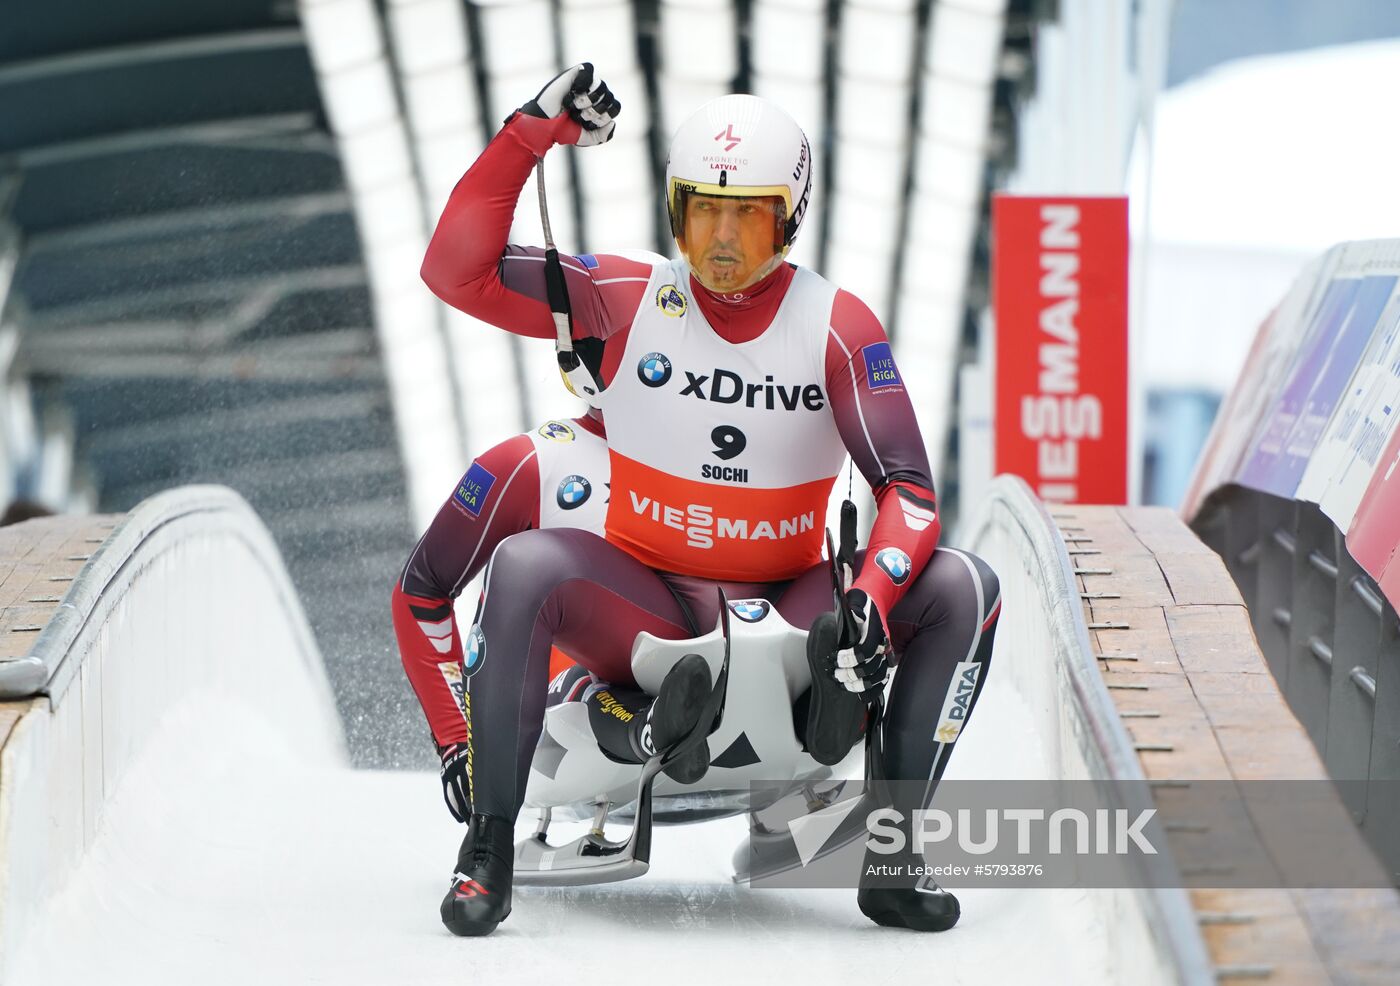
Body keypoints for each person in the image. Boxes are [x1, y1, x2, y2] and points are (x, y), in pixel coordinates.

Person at [419, 64, 1001, 937]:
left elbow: (909, 491)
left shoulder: (838, 327)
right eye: (703, 212)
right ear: (674, 211)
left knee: (964, 588)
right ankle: (487, 854)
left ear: (790, 216)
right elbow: (455, 271)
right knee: (526, 564)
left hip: (792, 602)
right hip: (648, 604)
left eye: (749, 215)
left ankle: (892, 856)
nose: (723, 240)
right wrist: (527, 135)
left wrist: (872, 604)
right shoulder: (622, 295)